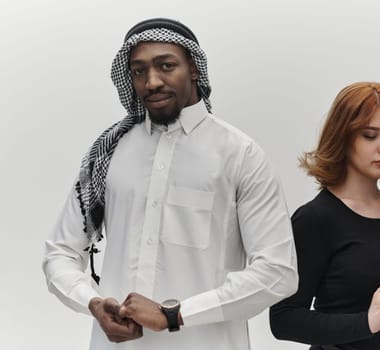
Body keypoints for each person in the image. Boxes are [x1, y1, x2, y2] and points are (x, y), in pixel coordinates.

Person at [43, 18, 298, 350]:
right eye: (139, 71)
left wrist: (175, 315)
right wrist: (91, 302)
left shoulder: (240, 155)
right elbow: (59, 253)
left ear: (193, 68)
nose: (152, 82)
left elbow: (278, 272)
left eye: (166, 66)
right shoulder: (110, 152)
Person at [269, 82, 380, 350]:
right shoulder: (314, 220)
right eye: (370, 135)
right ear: (343, 138)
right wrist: (365, 322)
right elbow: (283, 320)